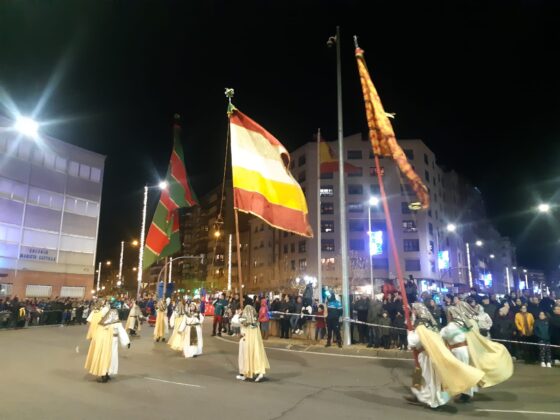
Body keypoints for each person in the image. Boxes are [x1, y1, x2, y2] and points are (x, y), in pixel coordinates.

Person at [405, 303, 484, 409]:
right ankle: (427, 397)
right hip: (446, 351)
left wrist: (409, 332)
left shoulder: (450, 326)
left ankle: (440, 398)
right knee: (431, 378)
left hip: (446, 352)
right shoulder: (433, 325)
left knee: (434, 378)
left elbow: (414, 341)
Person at [440, 306, 478, 402]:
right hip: (462, 349)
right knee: (463, 370)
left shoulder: (452, 325)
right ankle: (466, 391)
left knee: (462, 372)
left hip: (458, 350)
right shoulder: (461, 323)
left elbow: (445, 334)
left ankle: (466, 394)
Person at [84, 308, 131, 383]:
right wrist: (126, 342)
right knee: (111, 357)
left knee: (106, 357)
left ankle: (105, 374)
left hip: (107, 343)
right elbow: (122, 332)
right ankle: (106, 374)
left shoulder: (104, 323)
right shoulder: (117, 323)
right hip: (111, 343)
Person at [236, 305, 270, 382]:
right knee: (256, 357)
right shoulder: (255, 322)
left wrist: (239, 314)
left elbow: (239, 328)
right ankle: (259, 372)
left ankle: (245, 373)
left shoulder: (244, 321)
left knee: (245, 358)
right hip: (255, 342)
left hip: (246, 341)